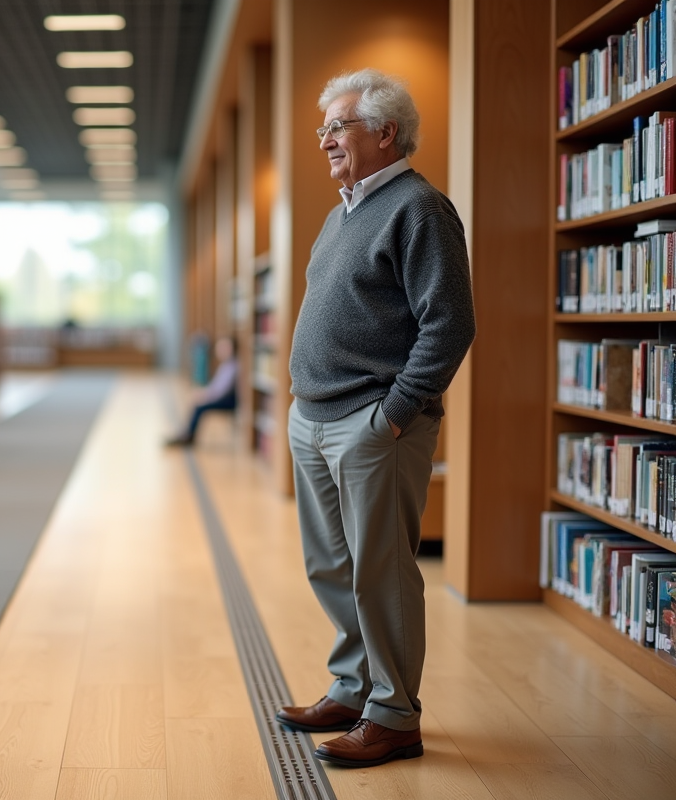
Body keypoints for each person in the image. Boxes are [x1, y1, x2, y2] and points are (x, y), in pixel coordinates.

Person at [276, 69, 476, 768]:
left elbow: (448, 325)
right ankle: (353, 687)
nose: (324, 138)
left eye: (338, 125)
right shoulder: (342, 213)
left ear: (385, 132)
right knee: (331, 565)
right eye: (323, 127)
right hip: (314, 417)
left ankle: (394, 716)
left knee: (381, 572)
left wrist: (393, 415)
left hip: (373, 422)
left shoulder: (420, 209)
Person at [166, 336, 238, 447]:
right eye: (220, 348)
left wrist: (205, 395)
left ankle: (188, 436)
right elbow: (215, 386)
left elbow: (222, 391)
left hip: (229, 400)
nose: (220, 351)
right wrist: (204, 392)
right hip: (221, 396)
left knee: (199, 406)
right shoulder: (224, 366)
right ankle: (186, 433)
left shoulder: (233, 367)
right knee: (196, 402)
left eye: (225, 348)